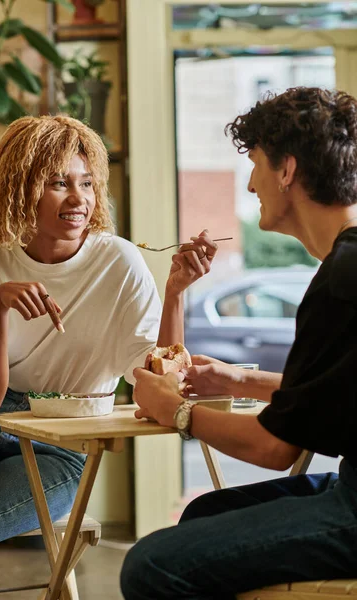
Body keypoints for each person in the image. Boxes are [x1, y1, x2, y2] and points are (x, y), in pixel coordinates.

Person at [0, 113, 218, 600]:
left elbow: (153, 376)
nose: (79, 199)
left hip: (63, 441)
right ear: (20, 188)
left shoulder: (119, 261)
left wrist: (176, 294)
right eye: (58, 183)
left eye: (87, 183)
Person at [121, 87, 357, 599]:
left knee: (148, 566)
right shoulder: (347, 266)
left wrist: (174, 412)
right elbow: (333, 393)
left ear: (287, 171)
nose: (251, 184)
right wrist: (238, 379)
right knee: (205, 511)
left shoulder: (341, 279)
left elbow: (275, 447)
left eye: (255, 164)